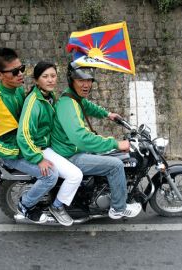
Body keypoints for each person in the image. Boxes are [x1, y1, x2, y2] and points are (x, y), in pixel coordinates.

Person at [51, 61, 142, 219]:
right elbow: (81, 138)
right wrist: (116, 143)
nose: (86, 84)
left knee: (110, 154)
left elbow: (87, 105)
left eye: (89, 80)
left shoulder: (74, 97)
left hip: (71, 149)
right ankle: (118, 208)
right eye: (81, 80)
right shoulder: (68, 104)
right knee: (115, 165)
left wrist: (107, 114)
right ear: (71, 80)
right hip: (70, 154)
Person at [0, 48, 55, 224]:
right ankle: (26, 205)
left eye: (22, 68)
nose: (20, 74)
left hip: (28, 145)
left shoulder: (17, 90)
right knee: (50, 175)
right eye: (15, 72)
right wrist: (21, 152)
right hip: (13, 152)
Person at [17, 61, 83, 226]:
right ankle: (53, 206)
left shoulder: (49, 96)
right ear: (36, 80)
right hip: (40, 148)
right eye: (45, 76)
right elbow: (24, 134)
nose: (50, 80)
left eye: (53, 76)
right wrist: (38, 158)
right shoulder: (34, 103)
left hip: (50, 145)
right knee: (75, 175)